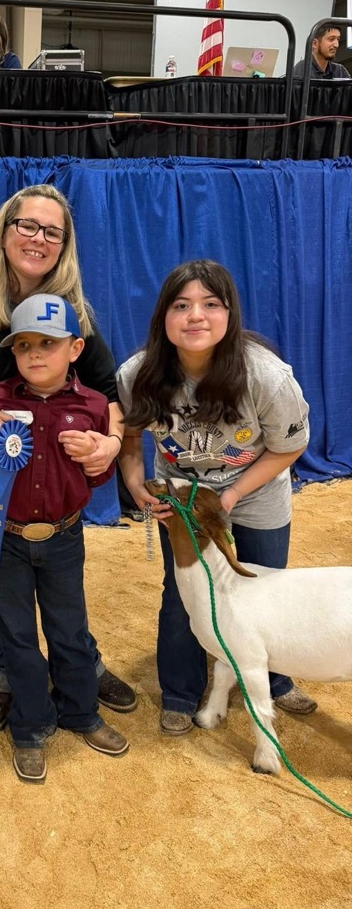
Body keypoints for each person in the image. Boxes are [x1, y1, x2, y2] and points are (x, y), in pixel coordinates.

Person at [0, 184, 137, 735]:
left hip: (47, 482)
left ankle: (80, 664)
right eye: (27, 226)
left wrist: (110, 442)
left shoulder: (73, 311)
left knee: (62, 589)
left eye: (51, 231)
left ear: (64, 244)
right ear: (5, 230)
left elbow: (110, 393)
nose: (38, 239)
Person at [115, 259, 317, 736]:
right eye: (181, 305)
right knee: (183, 594)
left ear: (230, 315)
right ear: (163, 316)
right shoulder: (137, 374)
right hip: (183, 499)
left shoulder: (266, 376)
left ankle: (275, 677)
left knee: (263, 589)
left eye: (210, 304)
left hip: (254, 495)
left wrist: (231, 497)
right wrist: (137, 487)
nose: (195, 316)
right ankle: (182, 692)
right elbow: (128, 438)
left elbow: (291, 445)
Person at [0, 294, 130, 783]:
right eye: (24, 345)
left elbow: (96, 481)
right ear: (12, 352)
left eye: (48, 344)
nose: (35, 354)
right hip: (5, 540)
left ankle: (81, 713)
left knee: (69, 628)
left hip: (63, 538)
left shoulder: (94, 407)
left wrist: (96, 455)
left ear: (75, 348)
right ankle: (31, 726)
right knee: (16, 635)